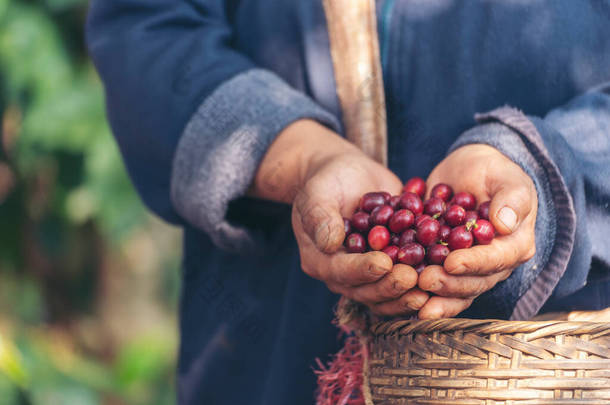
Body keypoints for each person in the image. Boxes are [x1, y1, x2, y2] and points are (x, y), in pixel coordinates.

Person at [86, 1, 610, 404]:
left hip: (561, 358)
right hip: (271, 348)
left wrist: (549, 171)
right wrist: (298, 157)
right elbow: (147, 29)